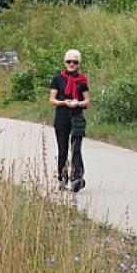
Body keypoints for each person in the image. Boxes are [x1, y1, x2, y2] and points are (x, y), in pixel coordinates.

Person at [49, 49, 90, 192]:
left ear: (78, 64)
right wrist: (64, 102)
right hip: (62, 117)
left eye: (75, 62)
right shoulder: (57, 79)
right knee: (63, 149)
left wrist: (77, 103)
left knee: (76, 147)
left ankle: (77, 177)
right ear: (65, 62)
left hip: (77, 116)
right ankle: (62, 178)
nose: (72, 64)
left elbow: (86, 101)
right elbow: (52, 99)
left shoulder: (82, 81)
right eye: (69, 62)